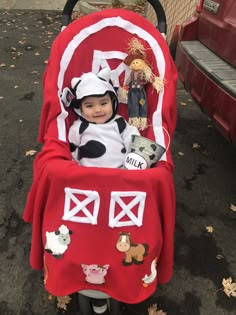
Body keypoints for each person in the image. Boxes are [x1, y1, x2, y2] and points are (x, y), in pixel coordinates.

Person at [68, 67, 140, 168]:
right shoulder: (78, 127)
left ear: (113, 102)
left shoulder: (119, 122)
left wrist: (135, 161)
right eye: (89, 106)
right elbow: (72, 149)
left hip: (120, 172)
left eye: (103, 103)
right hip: (88, 175)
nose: (98, 110)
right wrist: (77, 166)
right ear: (81, 109)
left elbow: (132, 139)